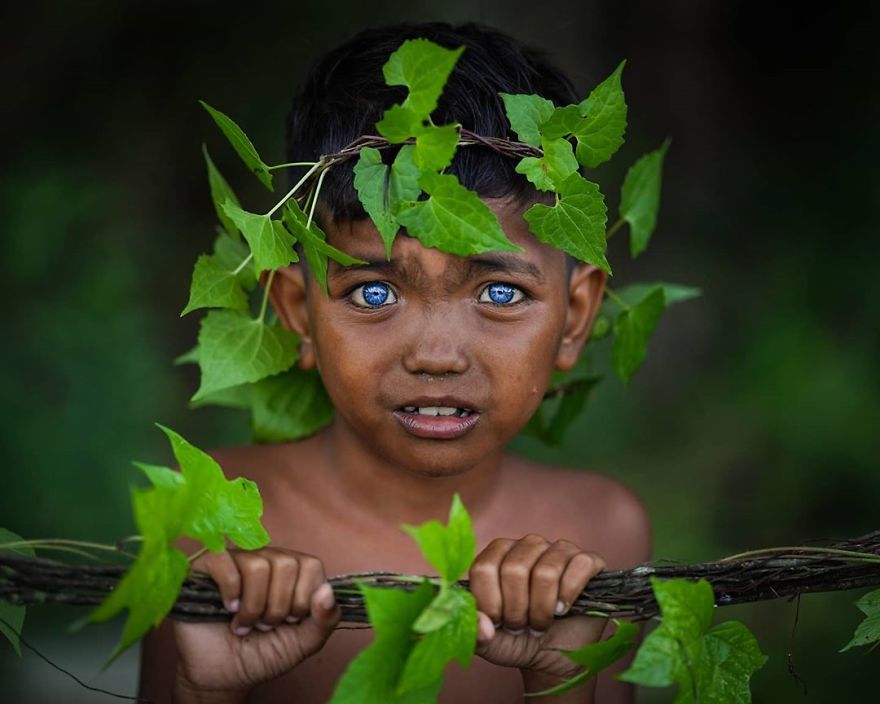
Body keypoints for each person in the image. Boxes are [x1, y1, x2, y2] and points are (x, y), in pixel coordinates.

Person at [139, 20, 651, 704]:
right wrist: (208, 693)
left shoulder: (604, 529)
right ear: (296, 311)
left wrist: (560, 680)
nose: (437, 356)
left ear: (575, 316)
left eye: (501, 291)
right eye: (373, 291)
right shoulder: (210, 525)